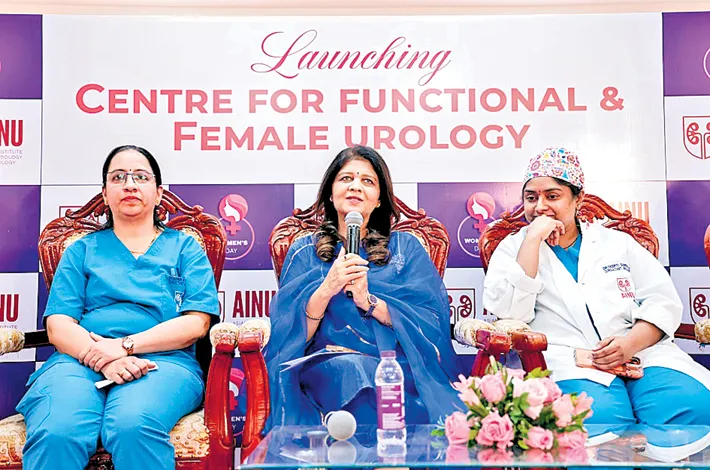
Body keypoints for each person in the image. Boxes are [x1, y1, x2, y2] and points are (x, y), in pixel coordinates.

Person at [17, 145, 220, 470]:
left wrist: (124, 346)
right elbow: (58, 325)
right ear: (105, 194)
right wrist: (105, 358)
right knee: (58, 430)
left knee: (132, 425)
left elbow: (196, 323)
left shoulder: (185, 249)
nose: (129, 184)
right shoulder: (81, 250)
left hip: (163, 363)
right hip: (78, 361)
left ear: (159, 193)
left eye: (141, 177)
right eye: (118, 177)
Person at [483, 146, 710, 425]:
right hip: (568, 361)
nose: (540, 206)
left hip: (642, 354)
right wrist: (531, 241)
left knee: (693, 407)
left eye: (552, 196)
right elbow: (511, 316)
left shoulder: (617, 243)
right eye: (531, 198)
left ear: (578, 198)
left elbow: (661, 301)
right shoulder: (512, 248)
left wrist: (630, 344)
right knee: (596, 419)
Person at [264, 145, 463, 430]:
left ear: (379, 200)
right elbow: (288, 338)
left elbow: (431, 322)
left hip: (400, 363)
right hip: (329, 365)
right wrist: (327, 288)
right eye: (346, 178)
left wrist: (368, 301)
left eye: (367, 181)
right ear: (330, 193)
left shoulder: (406, 249)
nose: (355, 186)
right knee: (352, 370)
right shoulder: (304, 251)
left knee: (388, 377)